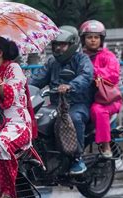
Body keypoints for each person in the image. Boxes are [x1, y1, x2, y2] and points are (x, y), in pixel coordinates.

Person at [29, 26, 94, 175]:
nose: (58, 48)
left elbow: (86, 76)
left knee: (73, 118)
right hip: (55, 105)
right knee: (38, 121)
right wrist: (22, 87)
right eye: (56, 45)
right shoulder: (52, 62)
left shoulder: (82, 59)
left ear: (72, 45)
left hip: (77, 104)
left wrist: (71, 86)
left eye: (62, 45)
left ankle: (77, 158)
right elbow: (37, 79)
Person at [0, 36, 37, 198]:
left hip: (18, 125)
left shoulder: (14, 69)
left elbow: (8, 98)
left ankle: (8, 193)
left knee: (1, 143)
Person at [79, 20, 122, 159]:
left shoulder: (108, 56)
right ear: (83, 39)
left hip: (105, 100)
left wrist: (92, 72)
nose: (93, 40)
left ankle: (106, 145)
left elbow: (113, 76)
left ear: (101, 39)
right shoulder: (78, 57)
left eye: (96, 37)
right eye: (89, 37)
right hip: (83, 98)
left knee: (98, 110)